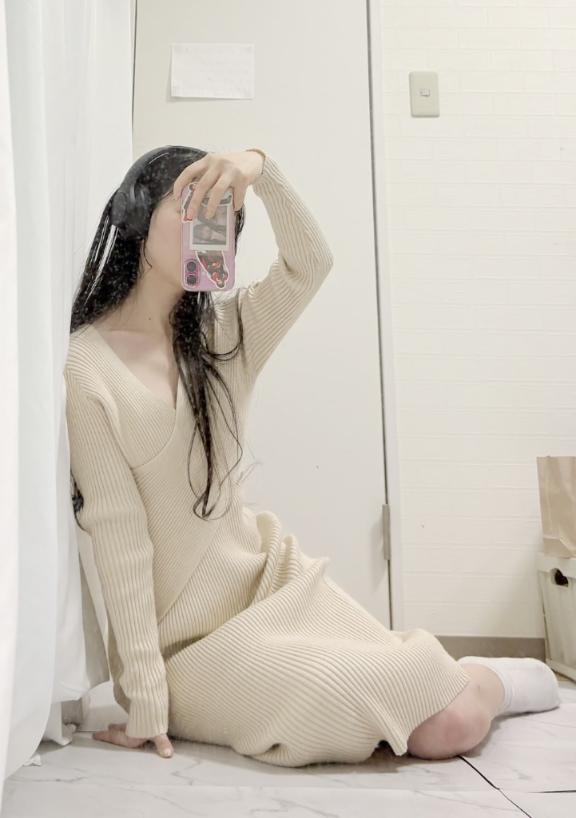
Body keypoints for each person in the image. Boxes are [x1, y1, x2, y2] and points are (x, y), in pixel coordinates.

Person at [64, 146, 560, 766]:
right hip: (186, 651)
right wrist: (143, 696)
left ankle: (488, 680)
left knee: (447, 715)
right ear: (139, 213)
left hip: (272, 582)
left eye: (222, 214)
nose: (209, 224)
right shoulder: (87, 366)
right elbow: (120, 540)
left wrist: (260, 169)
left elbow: (311, 263)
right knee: (440, 728)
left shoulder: (225, 334)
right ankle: (471, 680)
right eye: (192, 204)